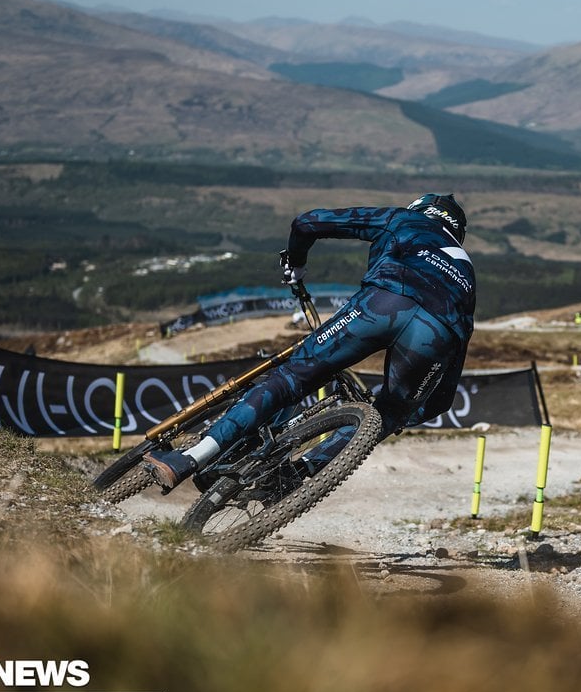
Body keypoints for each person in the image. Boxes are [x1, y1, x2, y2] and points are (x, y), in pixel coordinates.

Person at [143, 193, 476, 489]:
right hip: (437, 334)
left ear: (420, 209)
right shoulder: (467, 273)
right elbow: (442, 397)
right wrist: (401, 416)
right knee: (387, 413)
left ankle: (190, 458)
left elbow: (306, 222)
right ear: (457, 234)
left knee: (293, 377)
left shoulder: (403, 219)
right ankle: (295, 480)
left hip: (385, 303)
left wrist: (297, 265)